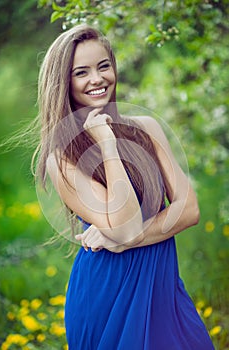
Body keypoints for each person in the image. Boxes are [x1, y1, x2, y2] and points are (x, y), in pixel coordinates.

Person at [35, 24, 214, 349]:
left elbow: (189, 210)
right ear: (64, 83)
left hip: (162, 288)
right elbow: (127, 224)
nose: (97, 79)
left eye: (103, 66)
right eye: (81, 72)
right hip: (108, 294)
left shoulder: (147, 128)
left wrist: (120, 239)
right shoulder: (62, 159)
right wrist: (107, 144)